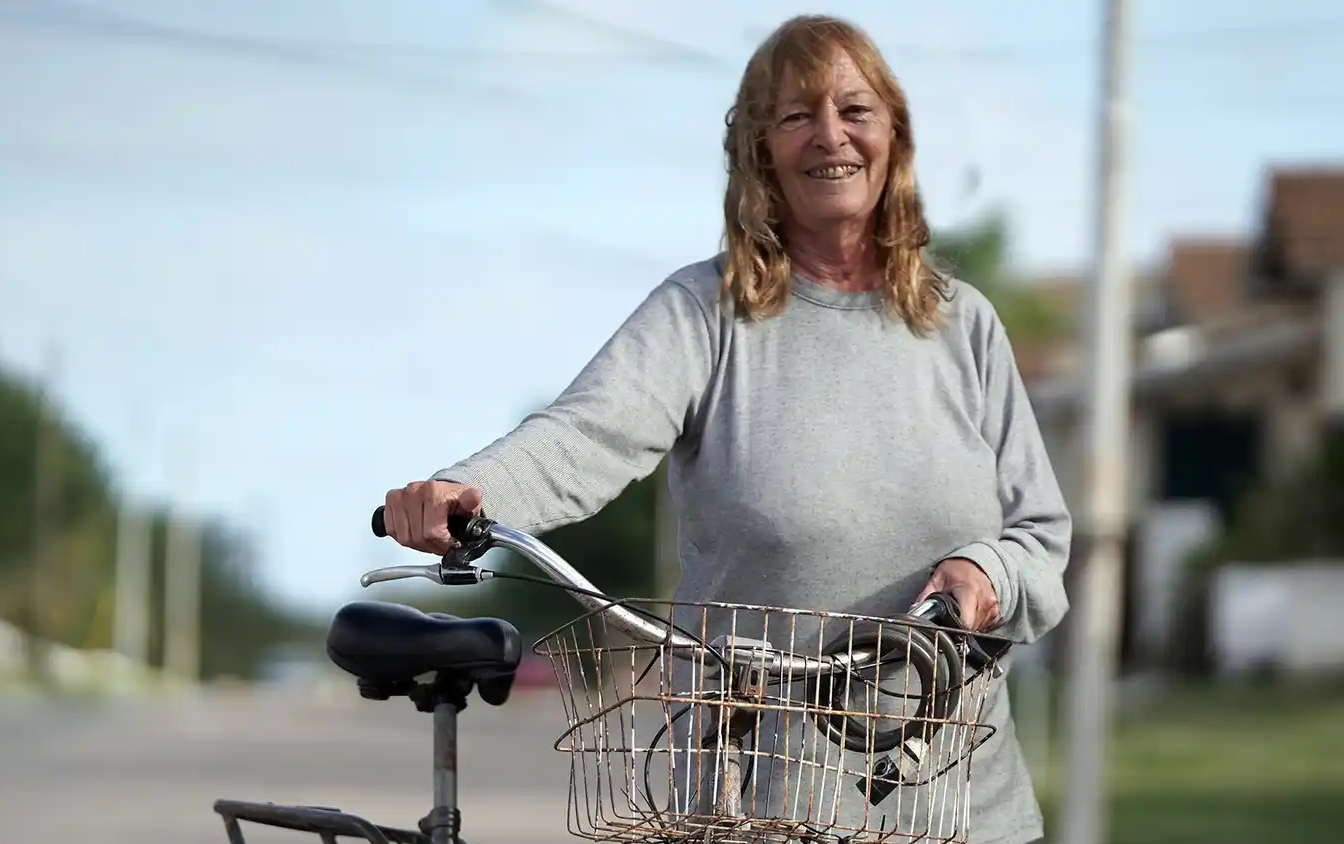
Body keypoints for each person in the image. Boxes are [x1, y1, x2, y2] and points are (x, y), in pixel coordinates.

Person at [380, 14, 1070, 844]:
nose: (829, 137)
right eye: (794, 116)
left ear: (894, 134)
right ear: (759, 152)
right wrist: (467, 491)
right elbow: (584, 435)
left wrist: (986, 571)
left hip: (961, 810)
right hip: (755, 804)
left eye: (854, 110)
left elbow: (1041, 536)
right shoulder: (705, 313)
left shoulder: (966, 326)